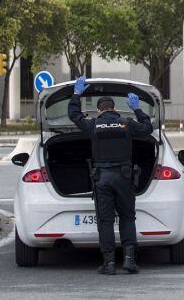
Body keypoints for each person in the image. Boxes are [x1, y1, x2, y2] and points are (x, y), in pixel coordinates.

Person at [68, 76, 153, 275]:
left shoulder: (93, 125)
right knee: (127, 218)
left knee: (105, 221)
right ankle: (129, 261)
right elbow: (148, 128)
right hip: (124, 178)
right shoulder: (127, 124)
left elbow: (73, 114)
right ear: (114, 108)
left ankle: (108, 264)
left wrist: (77, 94)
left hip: (102, 178)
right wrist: (138, 109)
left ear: (99, 110)